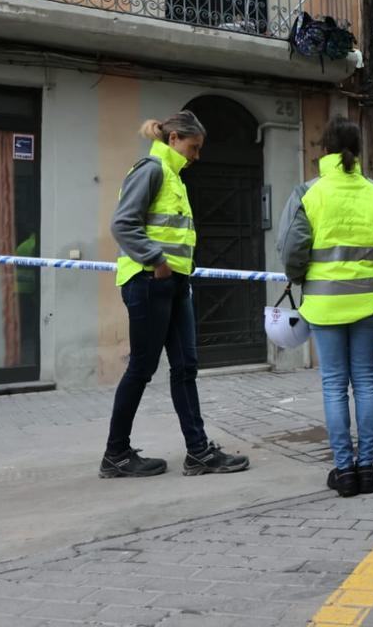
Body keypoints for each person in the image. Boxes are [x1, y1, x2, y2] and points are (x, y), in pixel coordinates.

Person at [102, 110, 250, 479]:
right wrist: (157, 262)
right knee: (142, 368)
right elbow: (123, 224)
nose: (196, 156)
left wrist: (177, 269)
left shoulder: (173, 177)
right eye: (193, 147)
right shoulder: (151, 171)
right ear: (173, 140)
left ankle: (198, 453)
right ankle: (116, 454)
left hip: (174, 283)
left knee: (185, 367)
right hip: (150, 282)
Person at [277, 117, 373, 497]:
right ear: (358, 150)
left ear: (324, 151)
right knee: (365, 382)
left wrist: (301, 277)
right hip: (369, 299)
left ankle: (344, 471)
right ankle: (366, 468)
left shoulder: (307, 193)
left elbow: (291, 250)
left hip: (323, 302)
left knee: (334, 385)